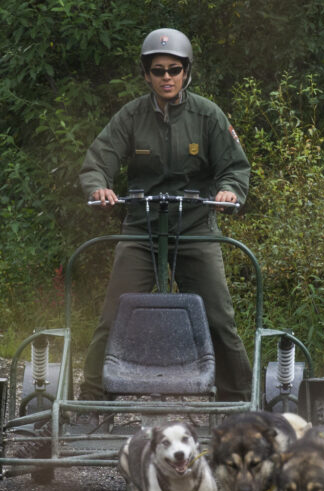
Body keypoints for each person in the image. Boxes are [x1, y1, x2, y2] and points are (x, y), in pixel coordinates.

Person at [78, 27, 252, 403]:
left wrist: (229, 191)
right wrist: (99, 187)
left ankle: (237, 402)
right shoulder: (132, 116)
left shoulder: (207, 115)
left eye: (174, 69)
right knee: (113, 316)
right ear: (146, 75)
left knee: (220, 319)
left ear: (186, 72)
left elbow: (235, 167)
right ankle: (91, 402)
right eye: (158, 70)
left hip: (195, 224)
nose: (167, 77)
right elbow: (98, 160)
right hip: (141, 225)